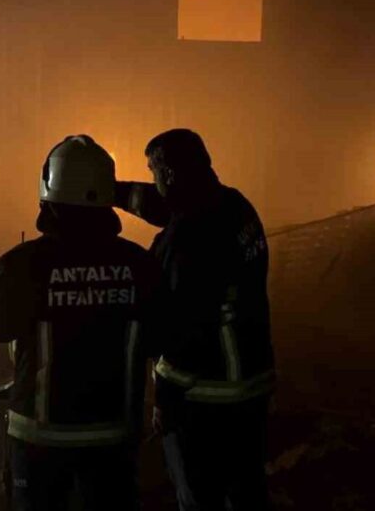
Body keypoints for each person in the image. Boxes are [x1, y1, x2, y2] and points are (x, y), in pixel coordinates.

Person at [0, 135, 161, 510]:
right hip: (114, 435)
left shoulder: (24, 264)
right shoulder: (140, 263)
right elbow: (162, 335)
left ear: (49, 191)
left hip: (39, 436)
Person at [115, 128, 275, 510]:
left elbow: (176, 329)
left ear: (169, 173)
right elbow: (165, 204)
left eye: (154, 169)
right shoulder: (234, 205)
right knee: (247, 492)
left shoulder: (186, 239)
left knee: (200, 497)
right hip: (253, 383)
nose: (153, 177)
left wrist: (164, 399)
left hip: (204, 399)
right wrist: (113, 192)